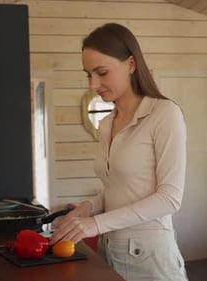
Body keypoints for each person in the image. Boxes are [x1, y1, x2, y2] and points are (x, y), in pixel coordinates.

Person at [50, 23, 188, 281]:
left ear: (131, 64)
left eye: (101, 72)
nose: (93, 84)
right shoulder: (107, 122)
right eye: (88, 74)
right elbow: (116, 188)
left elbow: (170, 198)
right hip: (108, 249)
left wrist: (96, 224)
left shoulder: (164, 114)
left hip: (150, 258)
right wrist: (88, 207)